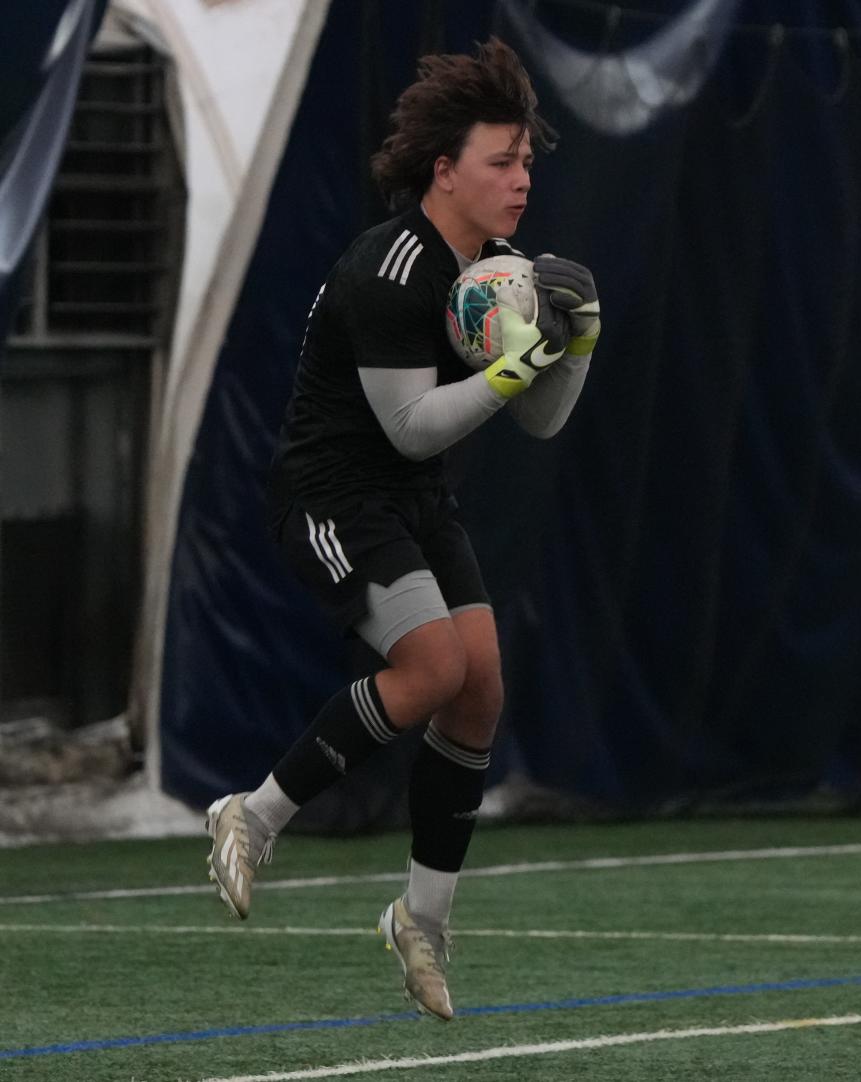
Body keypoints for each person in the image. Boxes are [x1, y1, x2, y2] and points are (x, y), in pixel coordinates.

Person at [204, 37, 601, 1021]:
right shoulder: (388, 269)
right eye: (500, 162)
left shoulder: (504, 271)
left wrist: (573, 343)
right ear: (443, 170)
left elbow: (540, 421)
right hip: (333, 492)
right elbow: (409, 422)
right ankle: (251, 813)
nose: (520, 180)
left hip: (416, 497)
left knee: (480, 691)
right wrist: (514, 368)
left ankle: (421, 920)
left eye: (526, 162)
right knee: (429, 668)